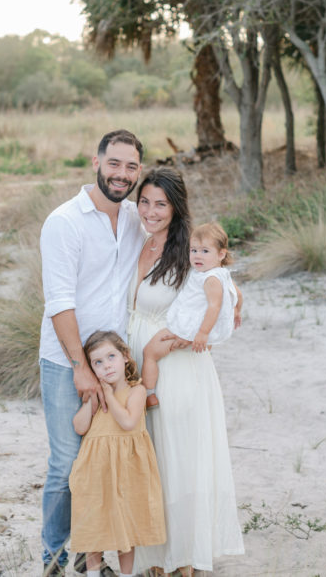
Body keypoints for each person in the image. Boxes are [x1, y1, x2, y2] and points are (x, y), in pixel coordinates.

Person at [125, 167, 245, 576]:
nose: (151, 211)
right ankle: (155, 560)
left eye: (161, 204)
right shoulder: (133, 241)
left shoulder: (190, 252)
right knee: (150, 462)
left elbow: (221, 285)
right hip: (135, 364)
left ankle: (185, 562)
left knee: (179, 463)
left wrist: (233, 305)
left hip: (176, 365)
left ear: (176, 208)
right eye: (145, 202)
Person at [39, 130, 146, 576]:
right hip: (69, 362)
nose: (122, 174)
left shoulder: (137, 219)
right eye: (115, 163)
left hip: (115, 366)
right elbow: (59, 302)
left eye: (131, 167)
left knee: (106, 462)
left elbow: (175, 251)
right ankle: (54, 557)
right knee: (67, 463)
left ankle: (92, 550)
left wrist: (224, 291)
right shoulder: (65, 221)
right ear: (97, 162)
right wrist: (81, 368)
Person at [68, 331, 166, 577]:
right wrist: (91, 401)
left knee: (126, 523)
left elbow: (128, 422)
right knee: (94, 522)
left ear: (125, 357)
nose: (106, 366)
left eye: (111, 357)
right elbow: (80, 427)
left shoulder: (137, 391)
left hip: (127, 467)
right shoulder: (95, 394)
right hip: (96, 467)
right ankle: (92, 573)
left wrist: (110, 396)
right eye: (97, 363)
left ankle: (126, 574)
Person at [140, 222, 237, 409]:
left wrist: (202, 333)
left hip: (189, 329)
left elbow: (214, 306)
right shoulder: (217, 273)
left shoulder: (211, 279)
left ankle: (149, 394)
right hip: (189, 325)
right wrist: (237, 310)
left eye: (205, 251)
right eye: (194, 250)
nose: (197, 256)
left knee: (149, 352)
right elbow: (236, 293)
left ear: (221, 254)